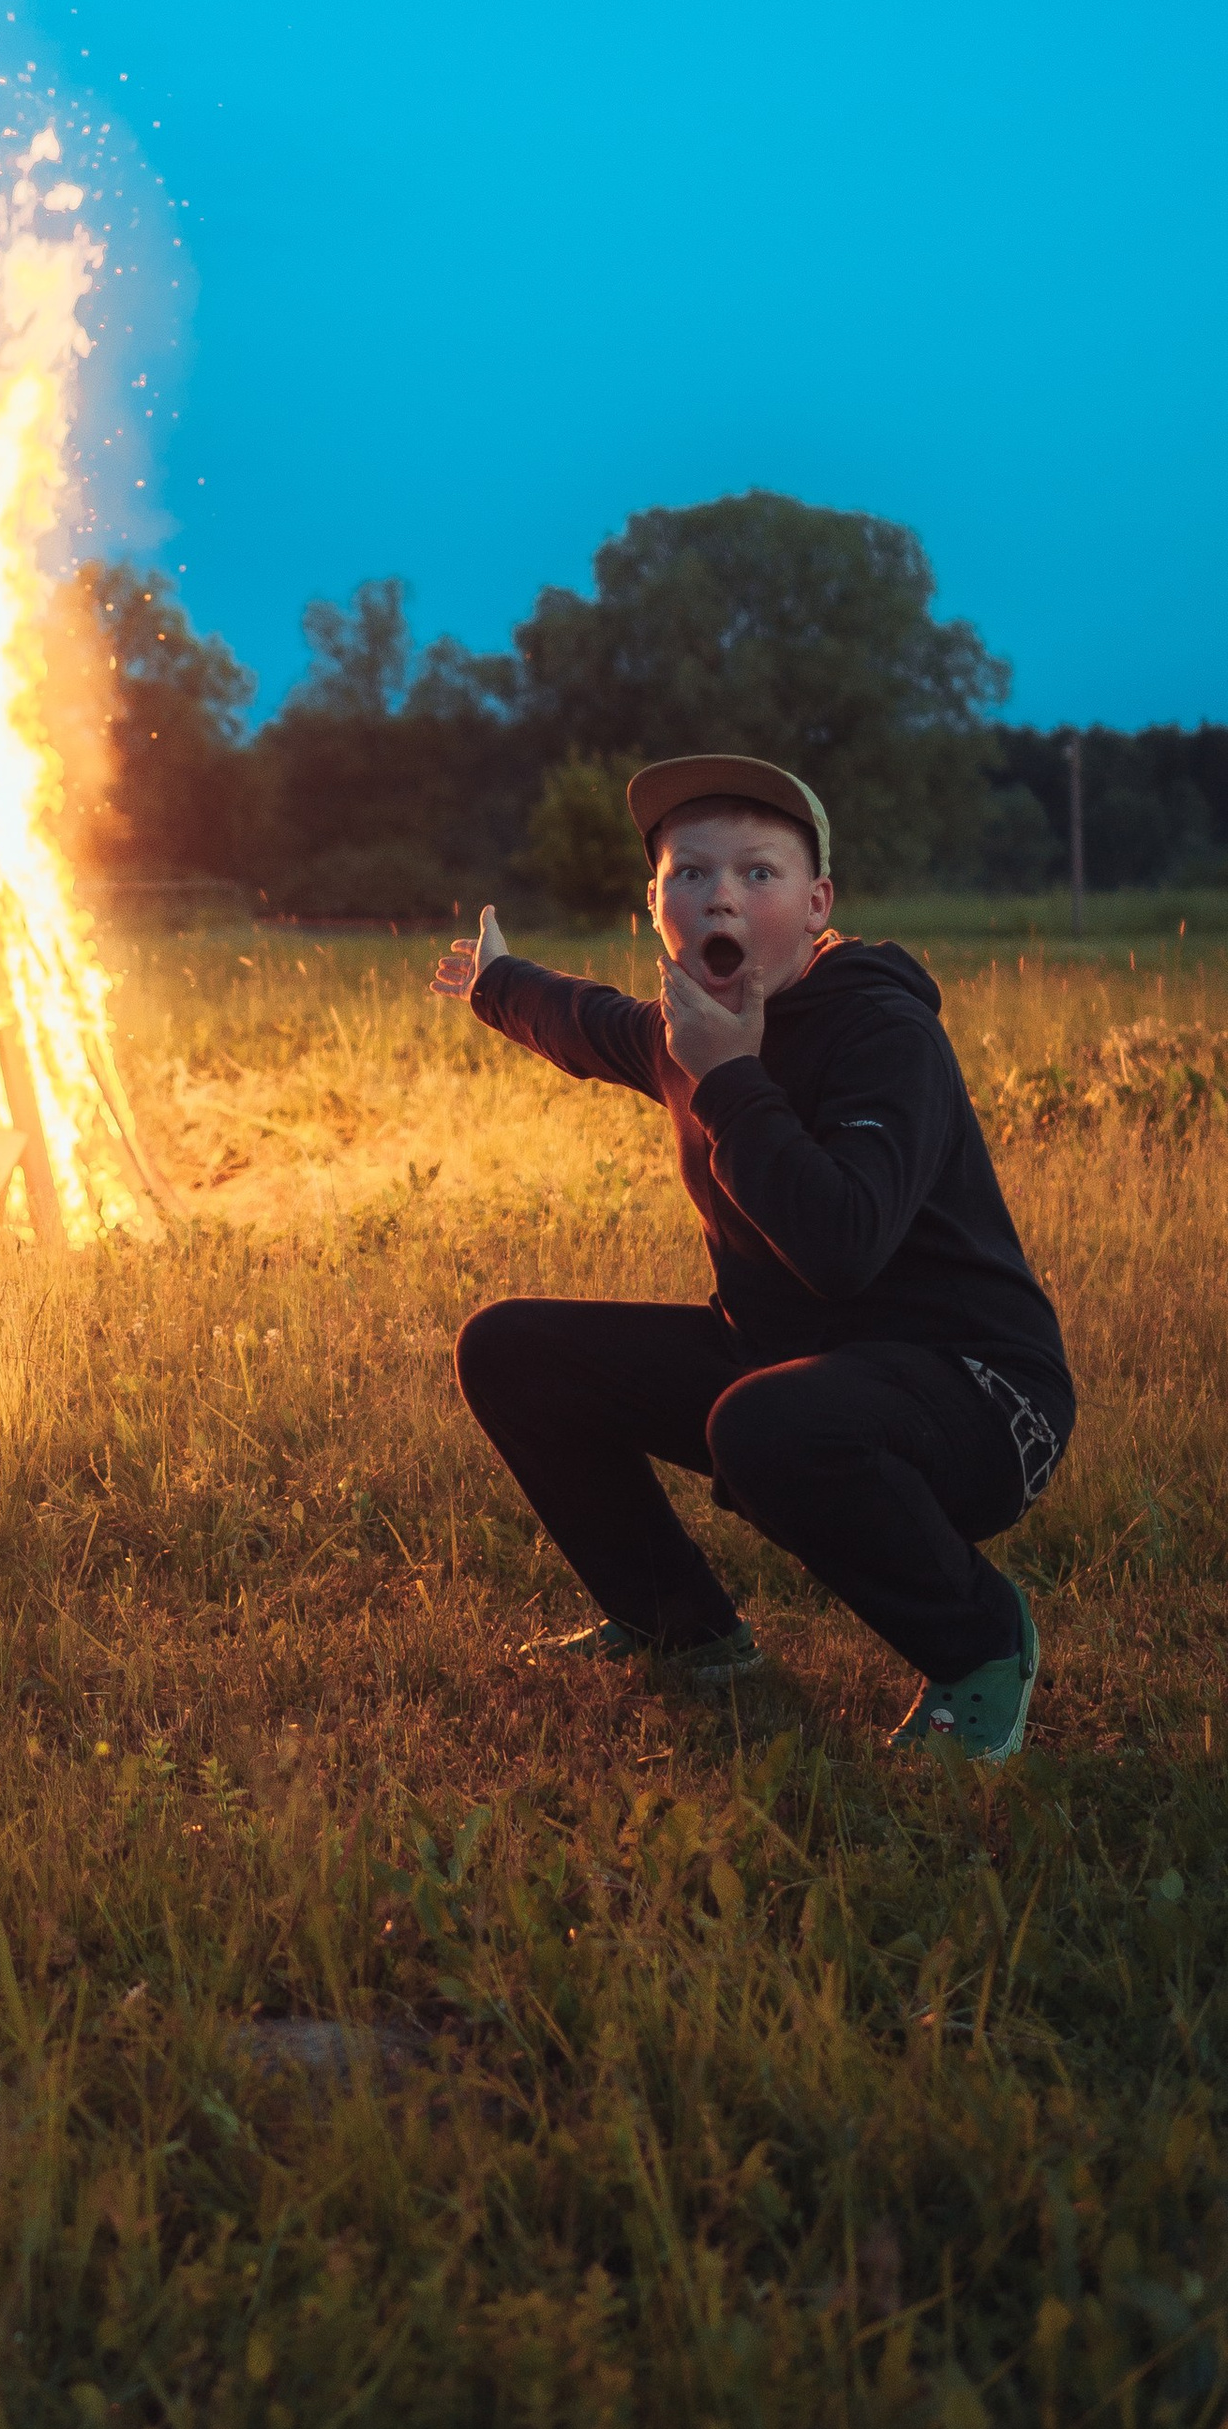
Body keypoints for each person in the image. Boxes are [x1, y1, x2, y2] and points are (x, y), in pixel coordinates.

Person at [432, 752, 1071, 1762]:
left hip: (977, 1396)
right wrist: (496, 981)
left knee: (767, 1420)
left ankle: (981, 1643)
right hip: (791, 1370)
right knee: (511, 1348)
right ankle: (681, 1630)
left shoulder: (880, 1031)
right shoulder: (685, 1031)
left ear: (817, 903)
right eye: (689, 873)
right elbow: (587, 1022)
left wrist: (729, 1077)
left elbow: (842, 1248)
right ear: (655, 905)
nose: (719, 894)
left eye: (757, 874)